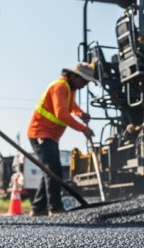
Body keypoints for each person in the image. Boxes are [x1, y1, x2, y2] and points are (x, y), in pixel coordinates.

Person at [27, 62, 97, 216]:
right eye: (83, 81)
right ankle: (55, 208)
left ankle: (38, 208)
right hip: (40, 132)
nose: (85, 84)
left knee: (49, 169)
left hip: (50, 135)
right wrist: (83, 128)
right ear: (73, 76)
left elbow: (71, 107)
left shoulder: (70, 88)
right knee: (54, 169)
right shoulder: (59, 86)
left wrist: (80, 113)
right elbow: (62, 114)